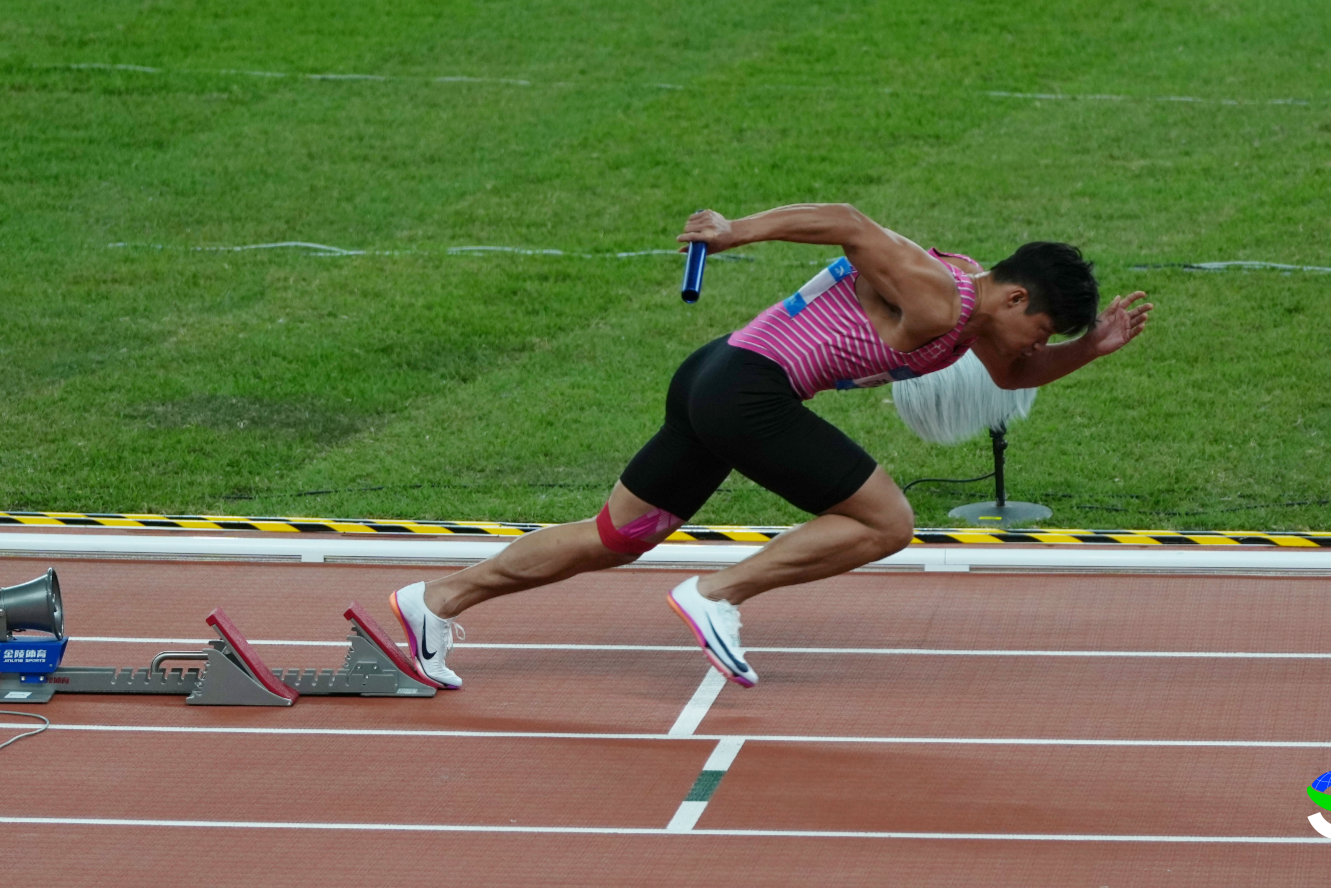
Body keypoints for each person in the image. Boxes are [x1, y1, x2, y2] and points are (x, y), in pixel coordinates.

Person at [389, 203, 1152, 689]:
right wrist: (733, 235)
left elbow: (1016, 369)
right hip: (748, 389)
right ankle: (717, 595)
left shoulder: (972, 319)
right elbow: (847, 220)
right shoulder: (937, 293)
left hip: (713, 379)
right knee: (887, 522)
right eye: (1041, 328)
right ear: (1015, 297)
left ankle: (435, 601)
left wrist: (1093, 349)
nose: (1033, 346)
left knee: (618, 536)